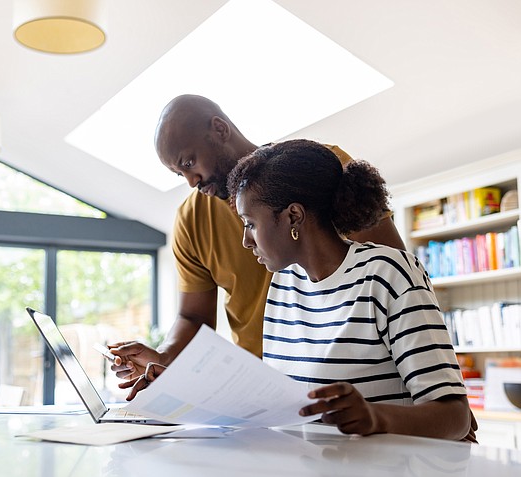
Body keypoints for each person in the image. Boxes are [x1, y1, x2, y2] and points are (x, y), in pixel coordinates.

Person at [123, 139, 476, 442]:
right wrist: (182, 389)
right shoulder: (284, 286)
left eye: (250, 224)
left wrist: (374, 417)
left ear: (293, 217)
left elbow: (455, 417)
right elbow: (279, 404)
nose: (246, 240)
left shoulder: (388, 273)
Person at [109, 95, 405, 381]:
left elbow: (395, 273)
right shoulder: (190, 219)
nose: (191, 181)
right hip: (263, 387)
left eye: (189, 163)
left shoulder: (318, 169)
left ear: (220, 129)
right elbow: (193, 318)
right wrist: (162, 359)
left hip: (351, 373)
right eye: (179, 174)